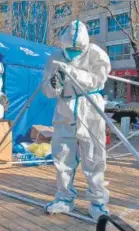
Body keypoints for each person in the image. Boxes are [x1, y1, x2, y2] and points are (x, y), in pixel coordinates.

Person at [42, 19, 111, 221]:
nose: (72, 52)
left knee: (94, 155)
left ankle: (98, 201)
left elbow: (98, 79)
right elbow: (47, 90)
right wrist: (55, 83)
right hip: (65, 109)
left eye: (77, 49)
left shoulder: (96, 53)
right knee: (62, 155)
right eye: (69, 48)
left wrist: (73, 73)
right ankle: (64, 197)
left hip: (90, 108)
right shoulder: (54, 58)